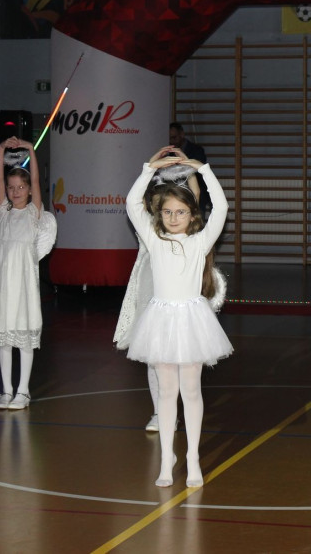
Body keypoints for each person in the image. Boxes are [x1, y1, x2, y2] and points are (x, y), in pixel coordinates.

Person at [125, 146, 231, 488]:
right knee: (167, 391)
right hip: (160, 320)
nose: (173, 218)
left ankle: (193, 457)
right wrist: (149, 168)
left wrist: (203, 170)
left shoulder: (200, 242)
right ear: (160, 215)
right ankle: (167, 459)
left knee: (192, 391)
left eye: (181, 212)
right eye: (168, 212)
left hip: (191, 319)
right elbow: (131, 204)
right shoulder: (154, 241)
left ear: (192, 215)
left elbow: (223, 208)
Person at [113, 164, 200, 433]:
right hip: (148, 289)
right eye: (158, 201)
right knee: (154, 354)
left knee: (181, 354)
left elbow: (194, 199)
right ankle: (160, 412)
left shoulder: (182, 222)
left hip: (177, 289)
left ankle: (179, 406)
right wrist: (151, 167)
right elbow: (133, 200)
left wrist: (192, 169)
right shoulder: (149, 225)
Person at [0, 137, 57, 411]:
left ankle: (23, 391)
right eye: (11, 188)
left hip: (22, 282)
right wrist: (0, 149)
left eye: (21, 187)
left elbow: (37, 180)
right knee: (3, 336)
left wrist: (30, 150)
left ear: (29, 190)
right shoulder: (2, 212)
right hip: (1, 283)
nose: (15, 191)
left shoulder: (35, 213)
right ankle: (6, 390)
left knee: (22, 333)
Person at [169, 122, 210, 216]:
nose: (172, 141)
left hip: (195, 193)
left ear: (182, 134)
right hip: (177, 194)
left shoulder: (196, 150)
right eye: (169, 138)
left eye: (174, 137)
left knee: (196, 223)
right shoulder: (169, 151)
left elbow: (197, 169)